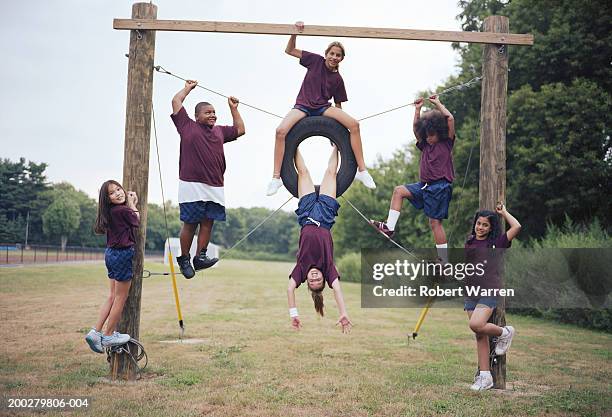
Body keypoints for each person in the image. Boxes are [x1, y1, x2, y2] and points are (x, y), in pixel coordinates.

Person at [266, 21, 376, 196]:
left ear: (341, 59)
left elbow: (339, 104)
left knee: (354, 125)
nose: (334, 57)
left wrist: (338, 130)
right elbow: (290, 50)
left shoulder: (338, 79)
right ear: (326, 54)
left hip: (322, 107)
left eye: (338, 55)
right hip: (303, 106)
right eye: (331, 53)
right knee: (280, 131)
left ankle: (362, 171)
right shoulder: (315, 60)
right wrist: (295, 32)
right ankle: (276, 178)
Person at [171, 80, 245, 278]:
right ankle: (184, 259)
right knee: (190, 223)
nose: (212, 115)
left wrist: (234, 109)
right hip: (191, 184)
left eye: (213, 112)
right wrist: (187, 89)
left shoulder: (219, 131)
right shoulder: (186, 126)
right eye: (208, 112)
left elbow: (240, 130)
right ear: (196, 116)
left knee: (208, 222)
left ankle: (200, 257)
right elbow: (176, 100)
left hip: (215, 185)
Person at [370, 95, 454, 263]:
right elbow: (416, 130)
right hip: (424, 186)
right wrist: (417, 110)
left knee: (434, 223)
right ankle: (389, 227)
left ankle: (443, 260)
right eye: (427, 135)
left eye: (431, 135)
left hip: (439, 187)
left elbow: (450, 118)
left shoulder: (446, 143)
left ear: (439, 132)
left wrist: (437, 103)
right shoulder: (425, 145)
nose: (428, 138)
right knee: (399, 191)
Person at [287, 145, 352, 333]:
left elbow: (290, 289)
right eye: (319, 281)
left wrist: (293, 314)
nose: (315, 278)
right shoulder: (329, 268)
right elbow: (337, 289)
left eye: (312, 281)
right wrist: (343, 312)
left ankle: (296, 143)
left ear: (305, 280)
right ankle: (336, 146)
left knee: (303, 172)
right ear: (324, 278)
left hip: (306, 214)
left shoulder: (300, 269)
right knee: (331, 173)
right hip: (325, 215)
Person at [464, 203, 521, 391]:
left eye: (485, 225)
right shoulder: (470, 242)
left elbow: (517, 227)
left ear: (491, 228)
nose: (480, 227)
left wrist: (504, 212)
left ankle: (505, 332)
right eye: (478, 223)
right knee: (479, 334)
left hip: (488, 290)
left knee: (476, 324)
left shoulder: (497, 243)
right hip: (471, 292)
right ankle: (485, 377)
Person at [85, 180, 140, 353]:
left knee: (111, 296)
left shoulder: (110, 212)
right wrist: (132, 203)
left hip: (110, 254)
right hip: (122, 255)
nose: (118, 193)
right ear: (107, 199)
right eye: (112, 193)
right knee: (120, 298)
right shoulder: (123, 210)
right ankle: (108, 335)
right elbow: (136, 220)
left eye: (118, 189)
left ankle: (96, 332)